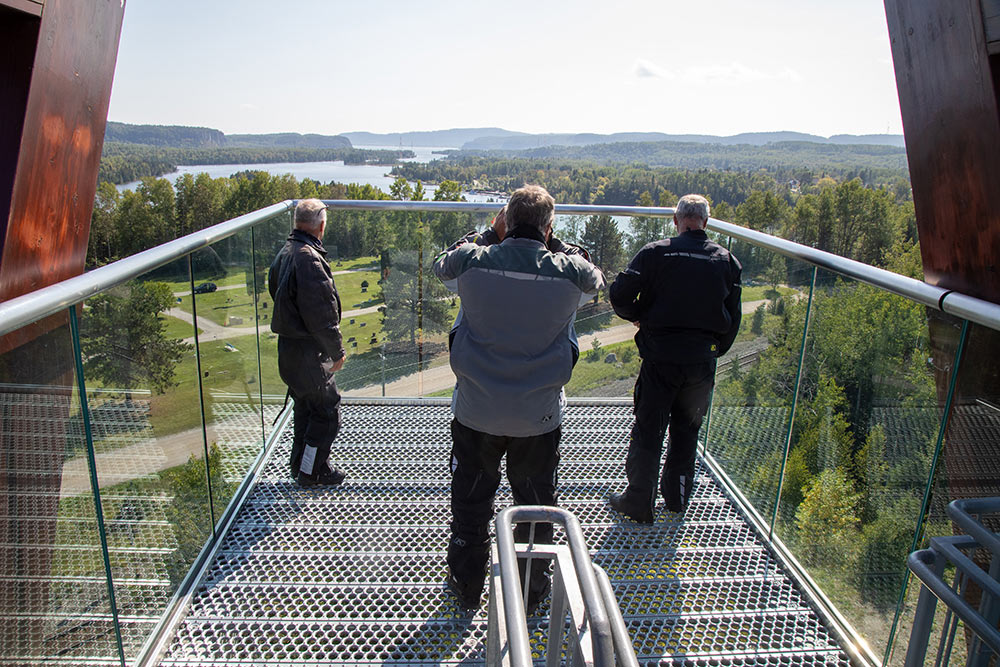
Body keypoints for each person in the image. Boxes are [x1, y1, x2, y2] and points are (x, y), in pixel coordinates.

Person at [432, 185, 606, 611]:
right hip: (539, 417)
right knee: (535, 505)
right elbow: (595, 277)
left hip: (476, 411)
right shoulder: (568, 273)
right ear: (548, 228)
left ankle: (466, 584)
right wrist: (554, 245)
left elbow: (443, 265)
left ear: (505, 221)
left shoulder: (472, 262)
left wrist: (489, 238)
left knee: (471, 500)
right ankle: (531, 591)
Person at [608, 194, 742, 522]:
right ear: (705, 223)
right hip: (700, 364)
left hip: (661, 359)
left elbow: (619, 294)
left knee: (649, 431)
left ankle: (639, 503)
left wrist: (639, 315)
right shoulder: (727, 262)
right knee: (687, 431)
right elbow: (733, 318)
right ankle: (677, 498)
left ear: (676, 220)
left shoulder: (656, 253)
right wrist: (712, 350)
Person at [268, 198, 347, 487]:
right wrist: (336, 351)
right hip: (308, 353)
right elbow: (322, 314)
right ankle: (313, 471)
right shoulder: (309, 259)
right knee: (326, 412)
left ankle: (299, 464)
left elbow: (275, 291)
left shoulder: (287, 251)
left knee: (305, 408)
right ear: (321, 225)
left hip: (289, 351)